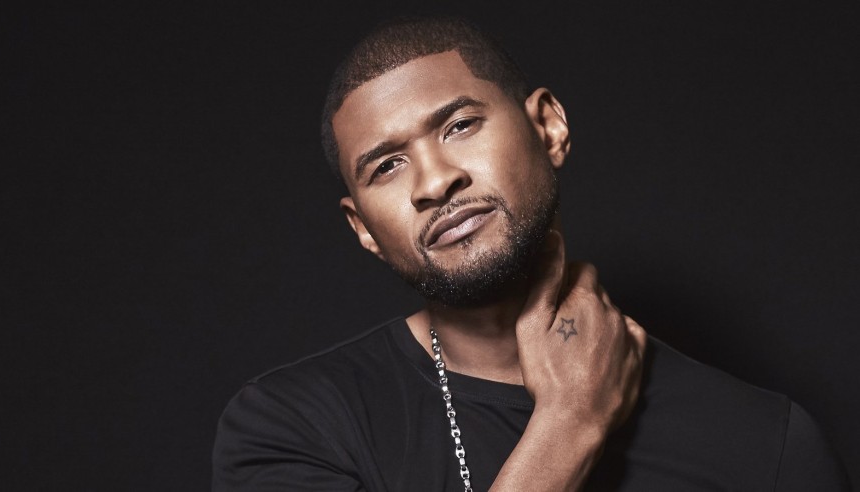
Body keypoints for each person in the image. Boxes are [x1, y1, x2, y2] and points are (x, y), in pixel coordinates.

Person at [212, 16, 849, 491]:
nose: (435, 182)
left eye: (459, 126)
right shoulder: (293, 428)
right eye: (387, 166)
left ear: (549, 127)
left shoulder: (766, 443)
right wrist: (569, 423)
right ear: (363, 229)